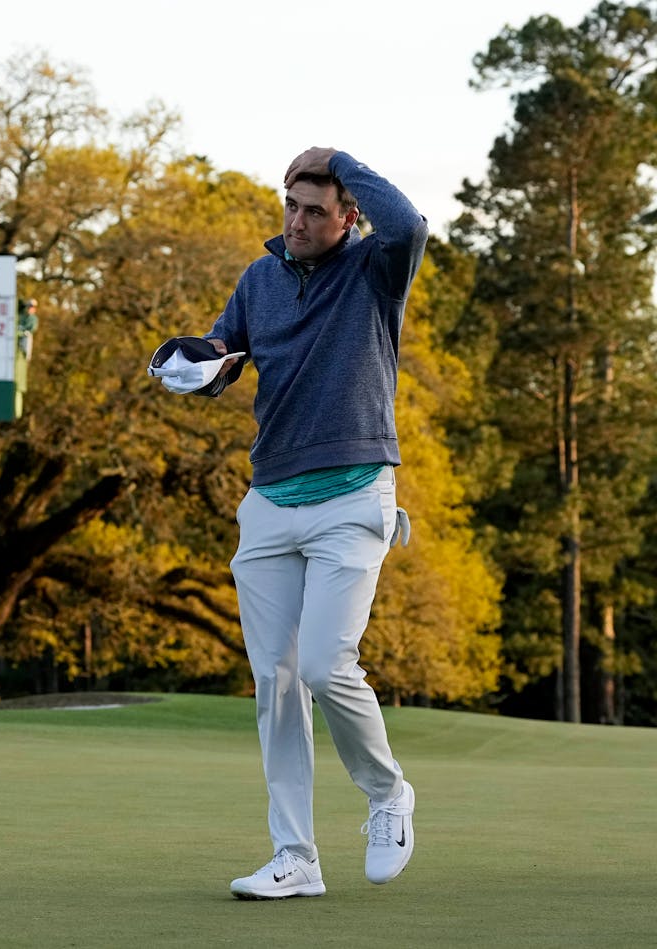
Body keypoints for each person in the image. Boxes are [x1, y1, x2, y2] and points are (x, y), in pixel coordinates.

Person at [183, 147, 427, 899]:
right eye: (290, 205)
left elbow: (411, 222)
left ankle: (389, 795)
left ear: (348, 214)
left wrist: (340, 159)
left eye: (315, 208)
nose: (296, 220)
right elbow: (227, 353)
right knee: (277, 681)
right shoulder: (260, 278)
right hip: (270, 501)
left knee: (325, 664)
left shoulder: (375, 270)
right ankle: (297, 856)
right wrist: (196, 365)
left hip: (354, 494)